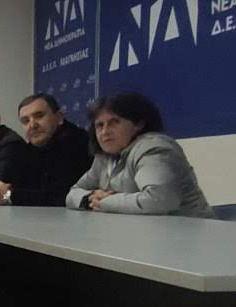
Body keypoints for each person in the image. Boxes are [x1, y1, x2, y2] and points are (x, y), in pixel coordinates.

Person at [66, 92, 213, 218]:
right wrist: (88, 198)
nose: (105, 132)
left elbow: (159, 200)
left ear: (138, 124)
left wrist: (105, 201)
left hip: (187, 236)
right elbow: (73, 193)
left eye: (114, 122)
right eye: (100, 125)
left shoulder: (153, 148)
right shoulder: (104, 157)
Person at [0, 93, 93, 207]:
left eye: (39, 116)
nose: (32, 125)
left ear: (59, 118)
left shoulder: (78, 143)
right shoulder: (30, 149)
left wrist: (8, 195)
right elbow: (16, 186)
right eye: (26, 121)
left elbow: (63, 196)